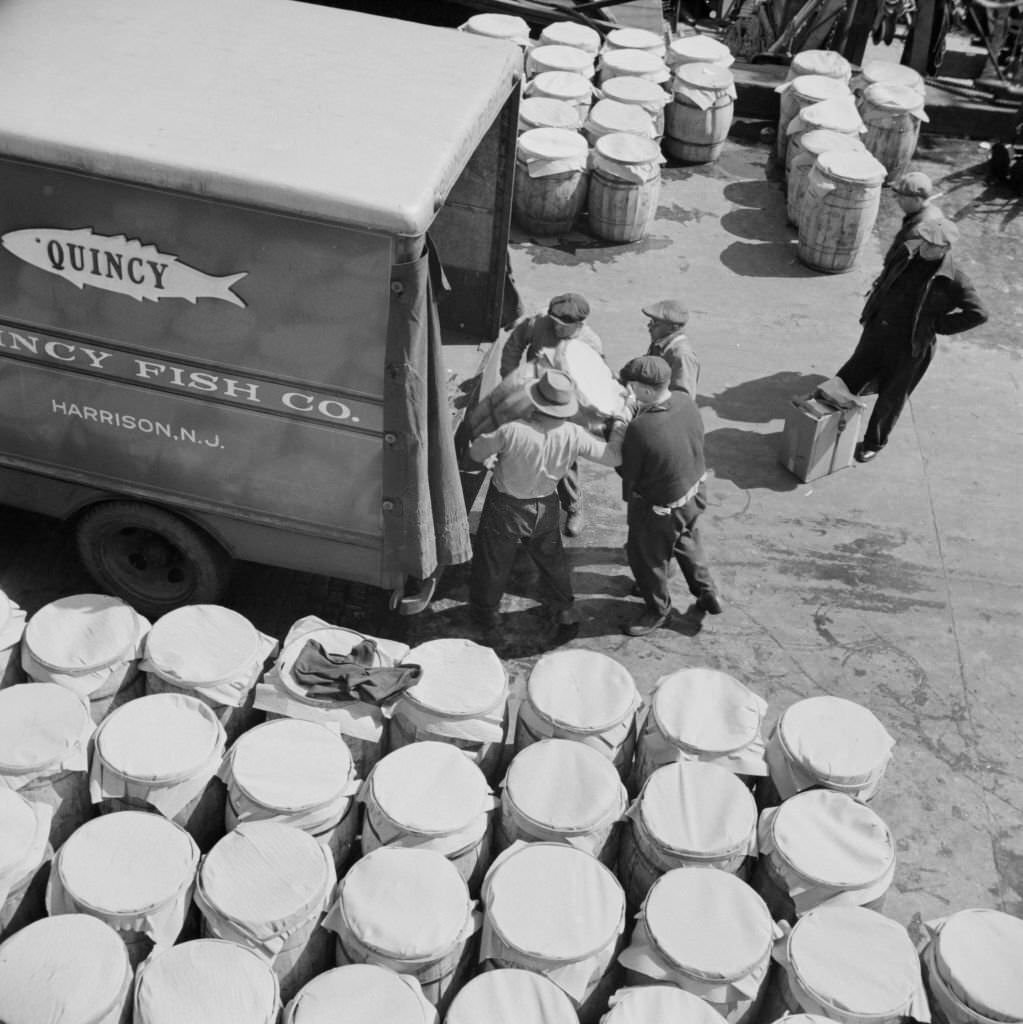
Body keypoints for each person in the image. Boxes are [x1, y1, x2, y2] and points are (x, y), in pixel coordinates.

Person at [468, 369, 626, 635]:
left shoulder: (512, 431)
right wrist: (620, 425)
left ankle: (487, 615)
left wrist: (489, 455)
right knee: (552, 559)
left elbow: (475, 453)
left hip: (505, 507)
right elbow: (612, 457)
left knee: (494, 560)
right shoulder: (573, 434)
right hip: (545, 505)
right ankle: (565, 608)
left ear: (534, 401)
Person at [836, 218, 988, 463]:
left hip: (911, 347)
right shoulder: (906, 251)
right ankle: (831, 424)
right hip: (877, 332)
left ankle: (874, 442)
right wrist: (871, 312)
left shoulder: (955, 279)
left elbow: (979, 314)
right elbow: (886, 279)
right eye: (925, 241)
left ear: (945, 249)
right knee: (849, 377)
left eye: (933, 245)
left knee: (891, 398)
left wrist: (937, 326)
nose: (925, 247)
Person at [616, 355, 722, 637]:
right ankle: (707, 591)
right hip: (693, 493)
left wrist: (618, 428)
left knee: (646, 557)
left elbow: (628, 473)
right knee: (686, 540)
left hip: (659, 508)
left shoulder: (641, 428)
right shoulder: (685, 400)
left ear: (648, 391)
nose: (630, 391)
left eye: (633, 387)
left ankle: (657, 610)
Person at [500, 293, 603, 538]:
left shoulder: (590, 344)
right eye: (554, 322)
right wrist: (511, 379)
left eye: (563, 326)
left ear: (579, 325)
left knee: (564, 458)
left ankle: (574, 507)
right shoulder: (538, 322)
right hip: (531, 398)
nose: (556, 328)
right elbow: (514, 344)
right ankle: (516, 505)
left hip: (565, 408)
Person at [641, 299, 699, 396]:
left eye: (655, 322)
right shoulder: (659, 345)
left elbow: (682, 400)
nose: (649, 326)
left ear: (672, 328)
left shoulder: (682, 356)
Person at [886, 172, 944, 262]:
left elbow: (901, 264)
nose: (897, 200)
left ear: (917, 199)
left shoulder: (918, 231)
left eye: (901, 197)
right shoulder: (934, 210)